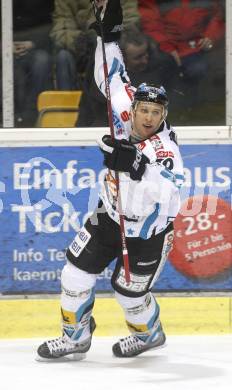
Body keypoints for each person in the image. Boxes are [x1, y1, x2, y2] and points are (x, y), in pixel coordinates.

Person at [37, 0, 184, 360]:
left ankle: (150, 333)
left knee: (127, 294)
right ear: (133, 108)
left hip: (147, 232)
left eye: (156, 112)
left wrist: (136, 166)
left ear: (164, 114)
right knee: (74, 275)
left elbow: (167, 190)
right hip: (109, 214)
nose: (148, 118)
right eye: (144, 110)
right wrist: (110, 35)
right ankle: (75, 338)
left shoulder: (165, 149)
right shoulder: (123, 106)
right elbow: (111, 73)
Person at [138, 0, 225, 110]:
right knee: (161, 73)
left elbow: (218, 16)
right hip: (162, 46)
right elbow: (150, 21)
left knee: (197, 69)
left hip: (196, 46)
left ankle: (191, 107)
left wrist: (211, 36)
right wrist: (166, 46)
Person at [50, 0, 140, 91]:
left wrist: (103, 33)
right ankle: (68, 102)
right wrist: (81, 39)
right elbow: (61, 30)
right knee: (63, 57)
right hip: (82, 49)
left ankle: (128, 97)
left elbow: (131, 21)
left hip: (116, 42)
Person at [13, 0, 54, 127]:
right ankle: (15, 115)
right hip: (8, 43)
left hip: (38, 41)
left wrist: (35, 42)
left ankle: (29, 114)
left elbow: (52, 24)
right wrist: (4, 44)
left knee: (42, 60)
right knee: (14, 69)